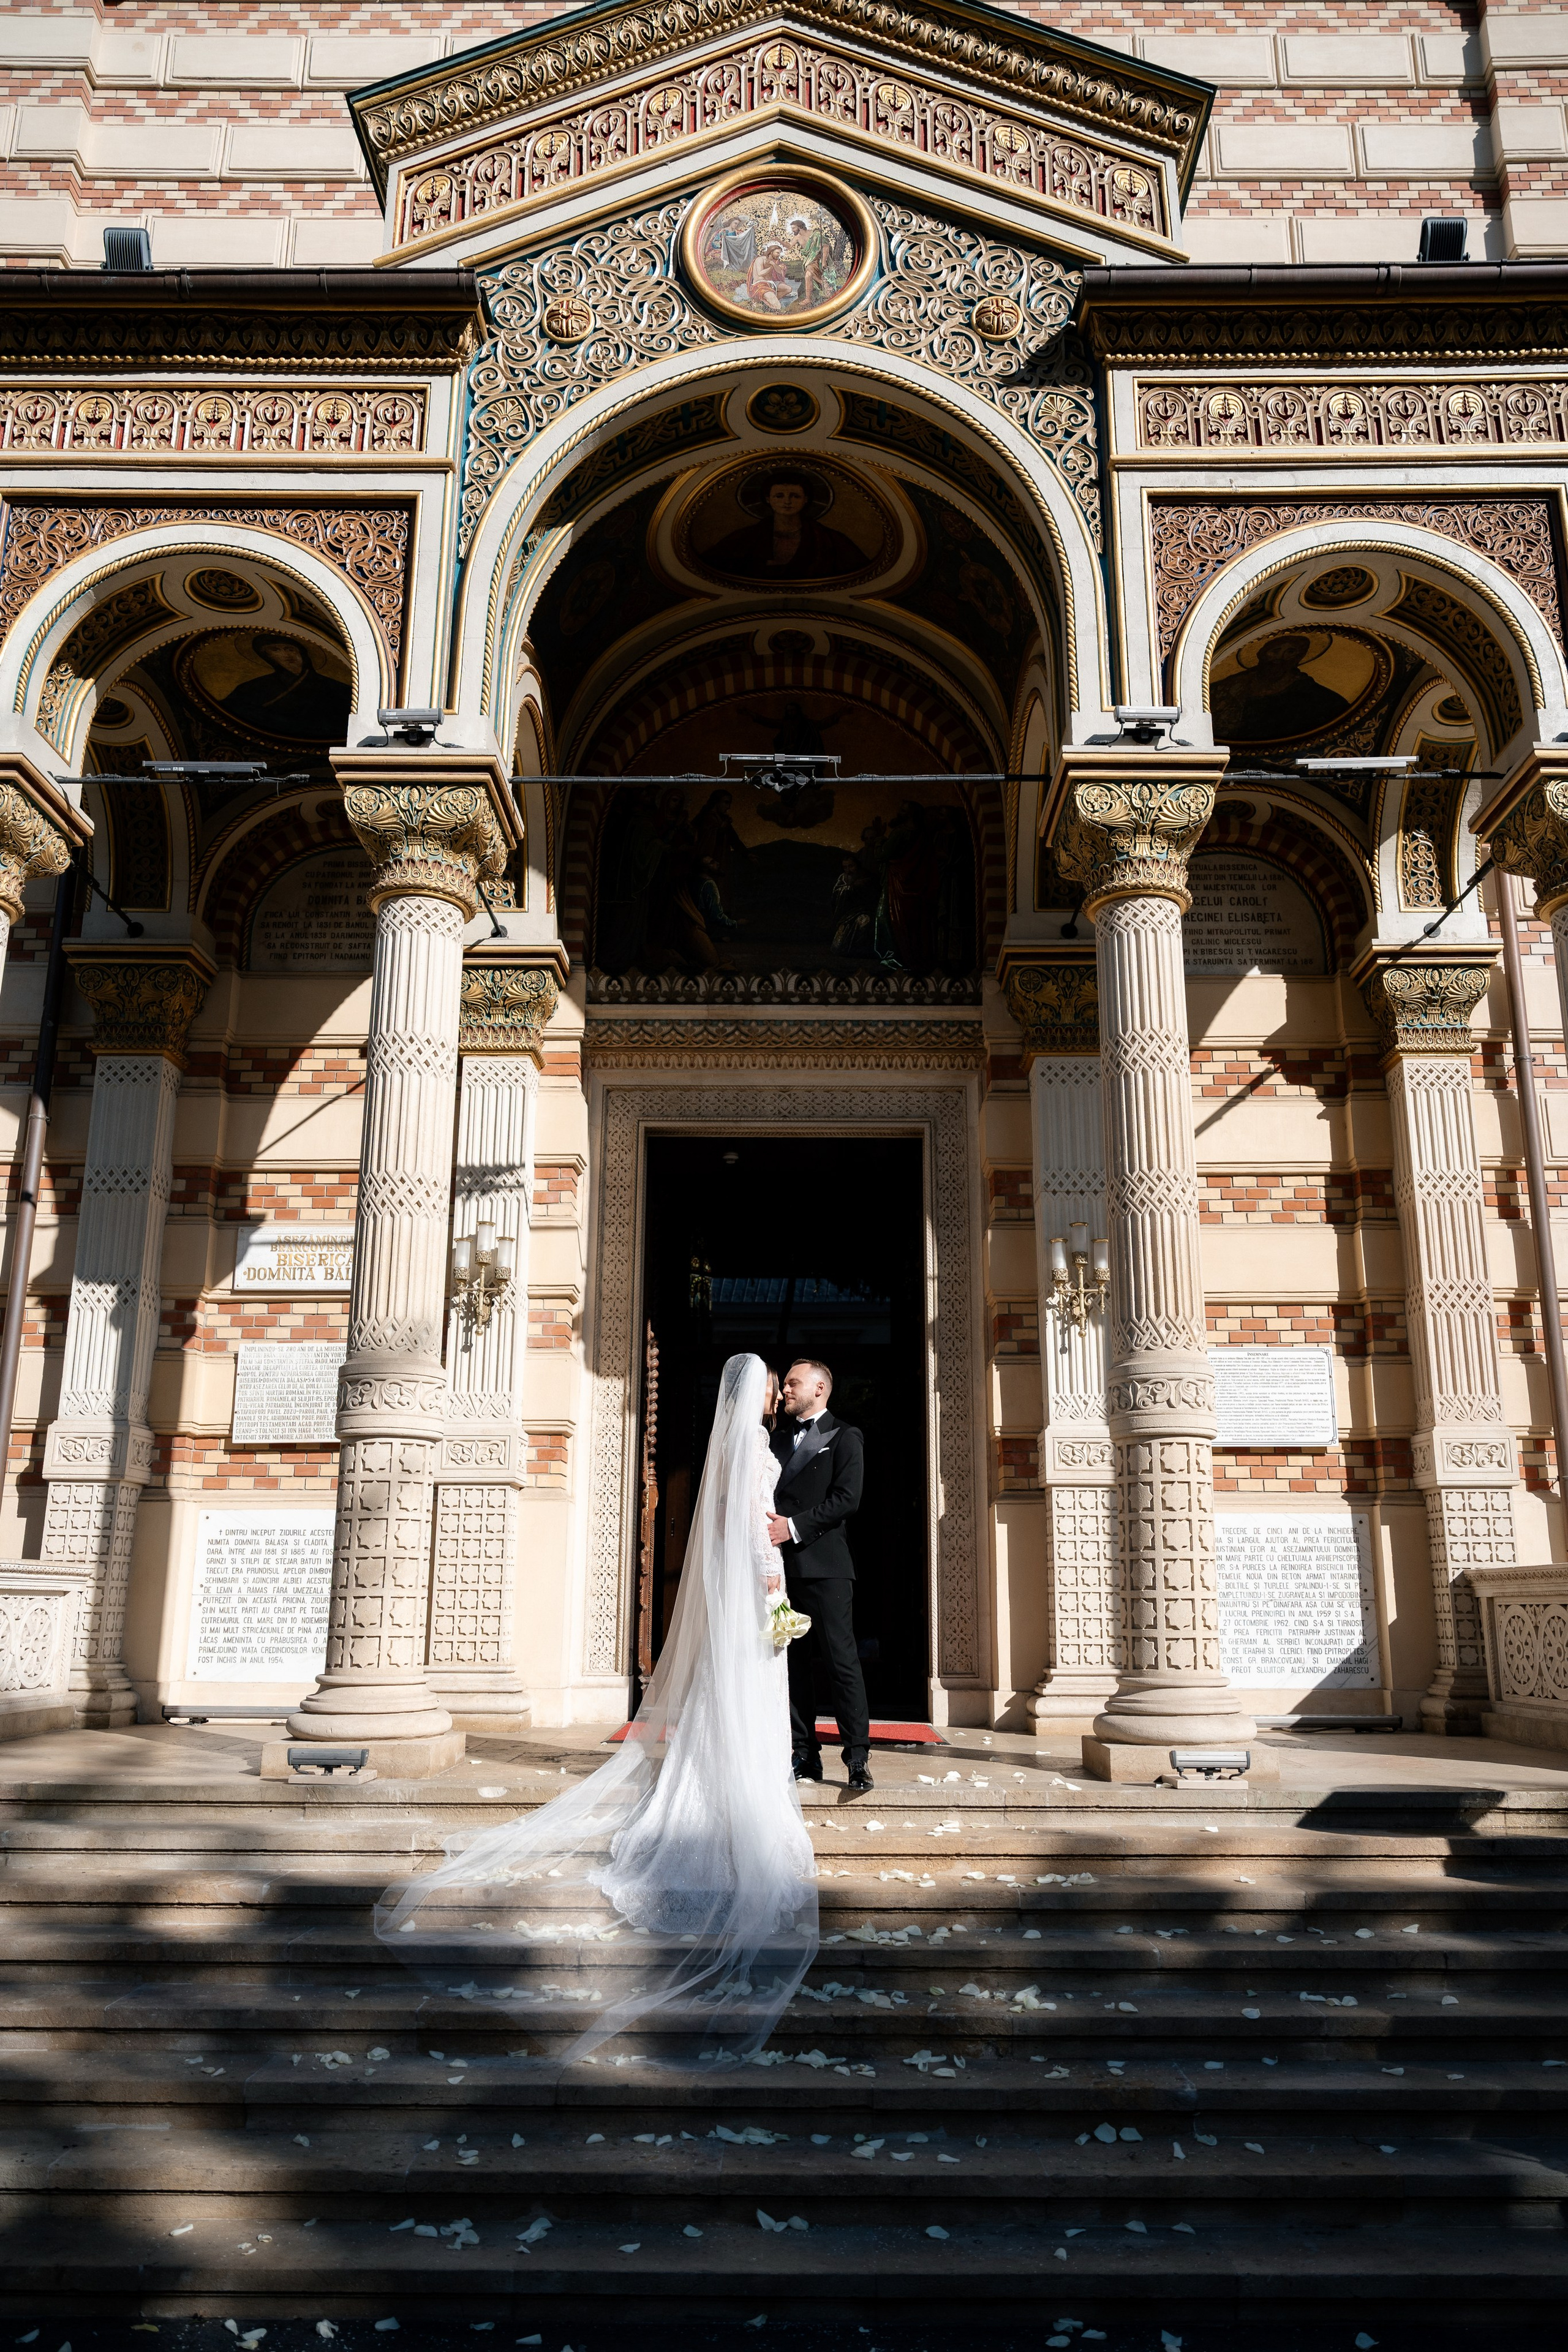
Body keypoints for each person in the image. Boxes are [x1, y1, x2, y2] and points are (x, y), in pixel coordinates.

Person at [375, 1354, 815, 2067]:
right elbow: (749, 1528)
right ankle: (743, 1801)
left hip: (740, 1589)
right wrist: (773, 1589)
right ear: (754, 1394)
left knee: (729, 1699)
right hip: (756, 1587)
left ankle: (714, 1788)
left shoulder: (738, 1444)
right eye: (769, 1386)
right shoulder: (752, 1445)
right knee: (749, 1695)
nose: (774, 1395)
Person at [768, 1355, 873, 1791]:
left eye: (793, 1383)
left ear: (820, 1388)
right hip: (780, 1571)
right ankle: (804, 1754)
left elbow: (847, 1499)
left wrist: (792, 1528)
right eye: (785, 1384)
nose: (785, 1390)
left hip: (826, 1568)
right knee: (792, 1665)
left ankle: (857, 1757)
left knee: (841, 1662)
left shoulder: (845, 1436)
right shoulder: (774, 1439)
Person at [706, 472, 867, 582]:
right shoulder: (745, 538)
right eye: (779, 496)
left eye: (795, 496)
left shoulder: (829, 540)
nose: (787, 502)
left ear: (806, 499)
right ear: (768, 499)